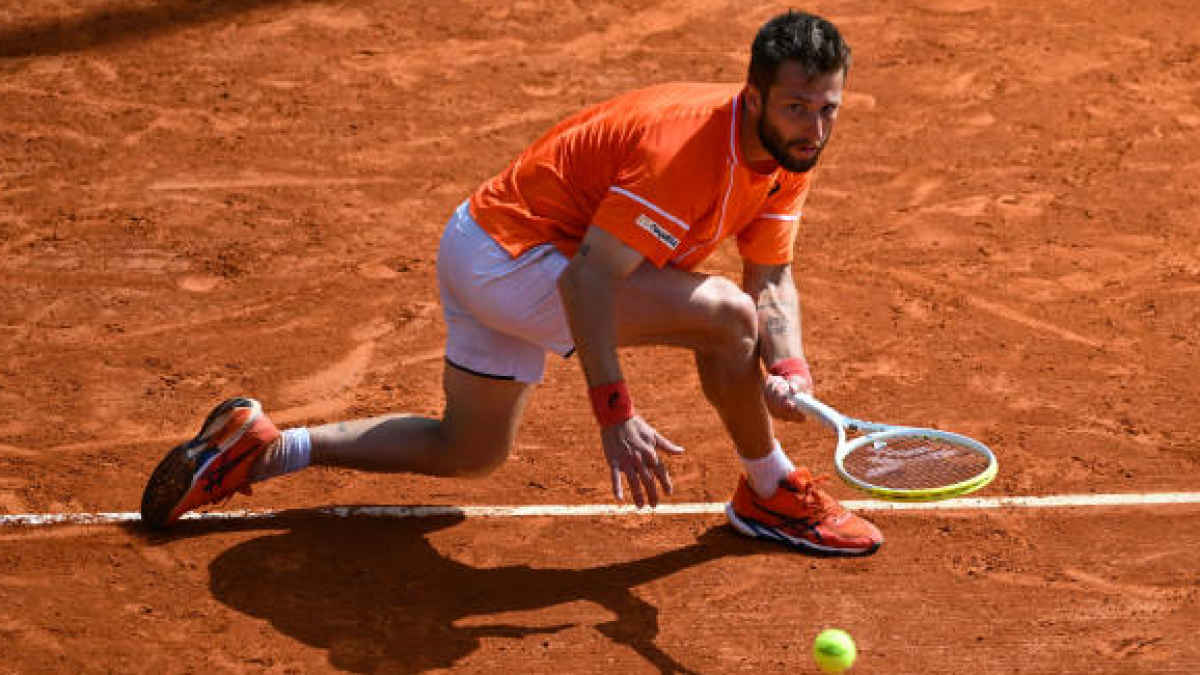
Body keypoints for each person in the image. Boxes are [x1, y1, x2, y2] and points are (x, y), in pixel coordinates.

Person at [140, 9, 883, 556]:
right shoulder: (688, 150)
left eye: (827, 110)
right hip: (515, 259)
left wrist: (788, 367)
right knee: (724, 317)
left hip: (480, 242)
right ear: (753, 98)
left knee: (468, 447)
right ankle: (769, 488)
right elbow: (589, 283)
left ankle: (263, 448)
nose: (813, 129)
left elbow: (773, 276)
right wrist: (615, 411)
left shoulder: (788, 154)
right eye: (796, 107)